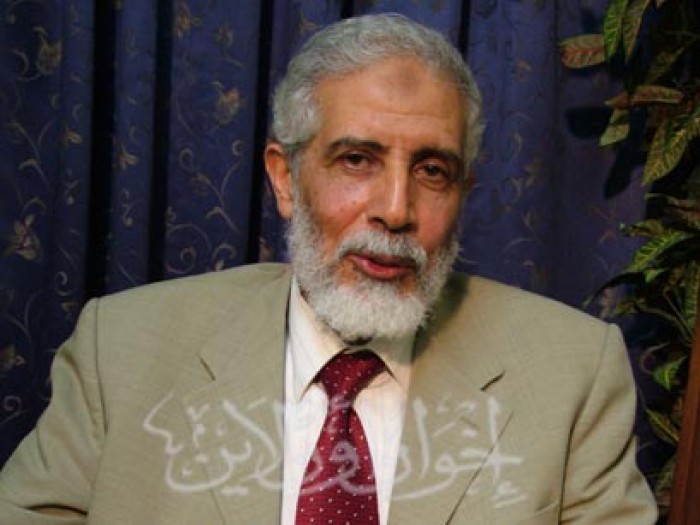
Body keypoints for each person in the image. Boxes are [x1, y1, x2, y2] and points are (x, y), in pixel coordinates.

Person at [0, 13, 657, 524]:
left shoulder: (573, 373)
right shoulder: (119, 349)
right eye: (357, 160)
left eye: (432, 170)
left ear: (463, 192)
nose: (396, 210)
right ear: (285, 178)